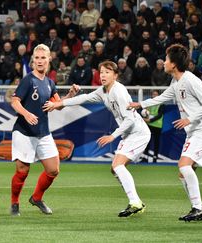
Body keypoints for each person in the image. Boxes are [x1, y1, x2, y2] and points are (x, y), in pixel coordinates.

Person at [44, 60, 150, 217]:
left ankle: (135, 203)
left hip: (138, 133)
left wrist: (112, 136)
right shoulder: (103, 91)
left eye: (107, 72)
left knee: (118, 166)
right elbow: (84, 98)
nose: (103, 75)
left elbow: (130, 120)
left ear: (115, 75)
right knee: (115, 169)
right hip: (129, 133)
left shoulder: (118, 92)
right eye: (101, 72)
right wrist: (60, 103)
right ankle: (136, 202)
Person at [128, 44, 202, 221]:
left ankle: (198, 208)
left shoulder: (191, 80)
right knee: (183, 172)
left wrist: (190, 118)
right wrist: (140, 104)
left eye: (167, 59)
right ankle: (198, 208)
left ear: (175, 64)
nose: (164, 62)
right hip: (194, 132)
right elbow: (163, 97)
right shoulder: (176, 81)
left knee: (184, 166)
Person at [9, 44, 76, 216]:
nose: (39, 61)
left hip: (43, 132)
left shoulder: (50, 83)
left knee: (53, 170)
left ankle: (36, 198)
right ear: (33, 61)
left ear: (49, 60)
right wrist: (26, 114)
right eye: (37, 58)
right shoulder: (28, 80)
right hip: (24, 131)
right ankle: (14, 202)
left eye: (43, 58)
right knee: (22, 171)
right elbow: (14, 101)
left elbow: (57, 105)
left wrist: (69, 96)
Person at [141, 90, 164, 163]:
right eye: (153, 94)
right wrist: (145, 115)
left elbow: (160, 115)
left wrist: (150, 120)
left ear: (158, 96)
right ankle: (145, 157)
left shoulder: (161, 104)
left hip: (157, 125)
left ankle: (155, 157)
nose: (155, 96)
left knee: (156, 142)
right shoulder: (149, 104)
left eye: (156, 94)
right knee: (147, 141)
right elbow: (145, 113)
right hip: (149, 125)